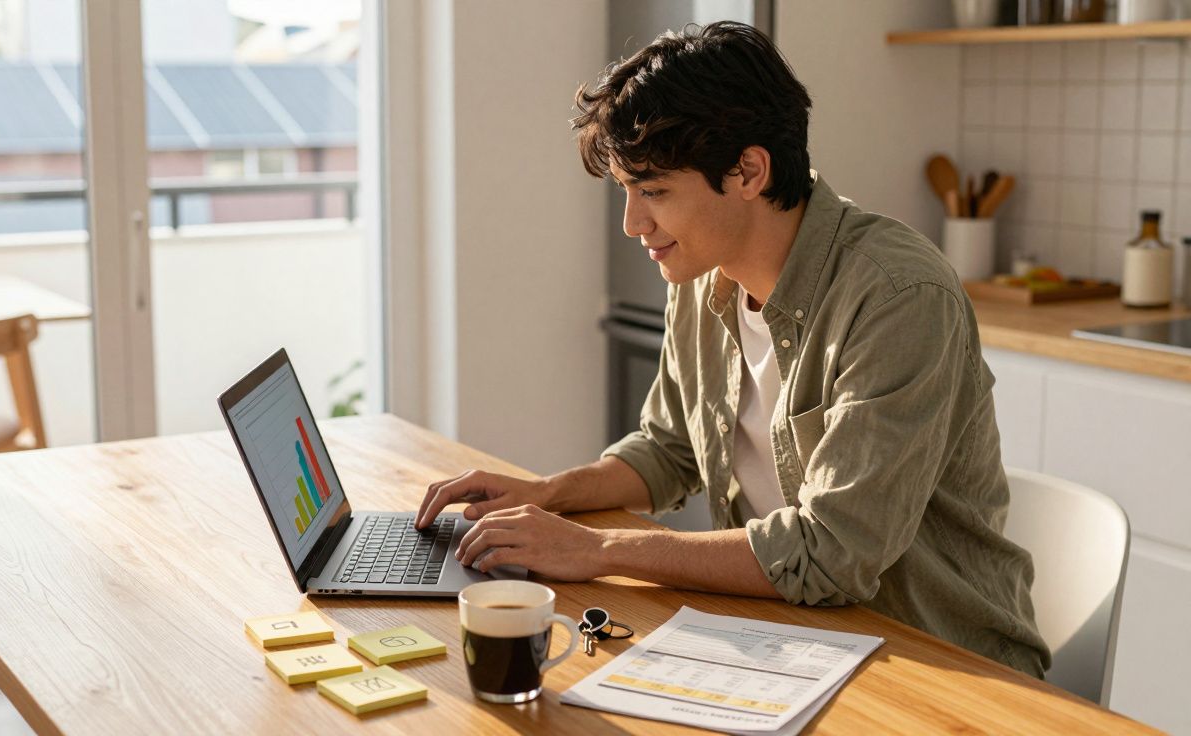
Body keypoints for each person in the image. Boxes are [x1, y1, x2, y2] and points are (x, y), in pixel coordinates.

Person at [414, 21, 1048, 677]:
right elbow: (669, 448)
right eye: (626, 193)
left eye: (654, 192)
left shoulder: (898, 298)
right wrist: (549, 493)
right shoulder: (701, 274)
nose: (634, 225)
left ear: (748, 171)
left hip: (937, 663)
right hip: (798, 636)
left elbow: (831, 551)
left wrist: (599, 548)